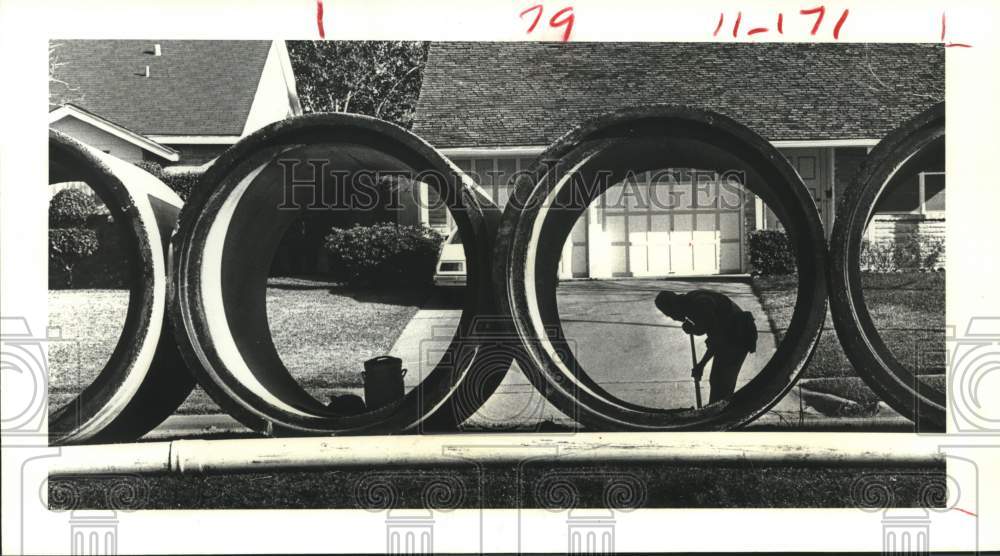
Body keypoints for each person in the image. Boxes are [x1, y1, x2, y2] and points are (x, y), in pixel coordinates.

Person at [654, 289, 758, 404]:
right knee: (718, 380)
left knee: (721, 382)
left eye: (670, 314)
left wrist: (701, 365)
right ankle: (718, 412)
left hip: (738, 336)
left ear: (674, 306)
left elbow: (717, 339)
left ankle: (721, 416)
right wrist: (694, 329)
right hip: (730, 335)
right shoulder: (690, 301)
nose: (673, 318)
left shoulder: (701, 304)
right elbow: (707, 328)